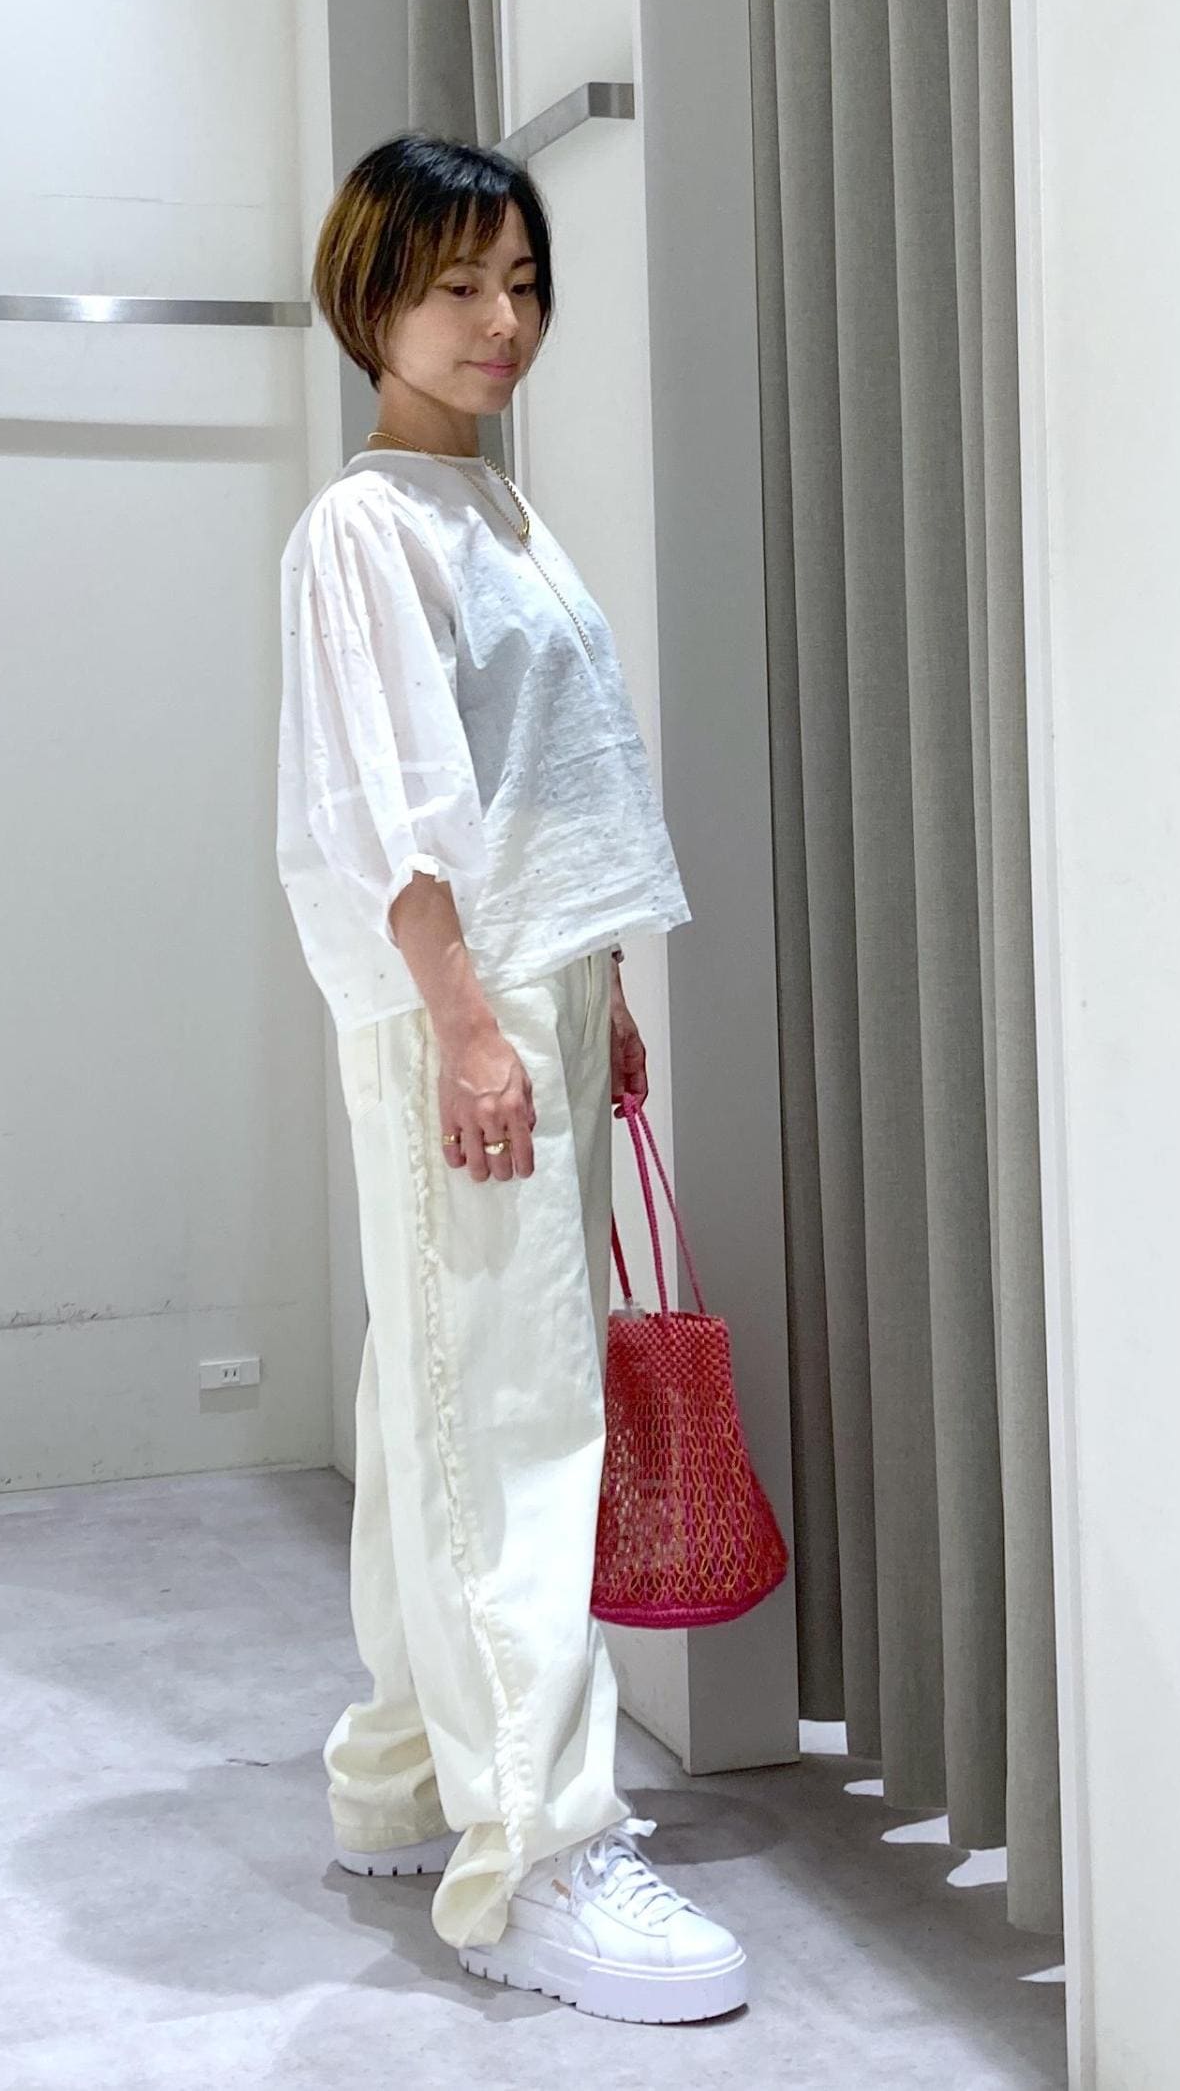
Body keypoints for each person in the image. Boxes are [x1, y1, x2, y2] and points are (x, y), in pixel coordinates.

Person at [275, 131, 747, 2025]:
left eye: (525, 283)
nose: (502, 319)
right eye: (460, 282)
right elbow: (392, 802)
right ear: (373, 292)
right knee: (516, 1411)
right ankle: (538, 1853)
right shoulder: (366, 526)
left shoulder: (497, 508)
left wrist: (594, 988)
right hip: (456, 998)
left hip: (529, 988)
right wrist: (469, 1016)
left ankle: (405, 1774)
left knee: (445, 1391)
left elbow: (552, 779)